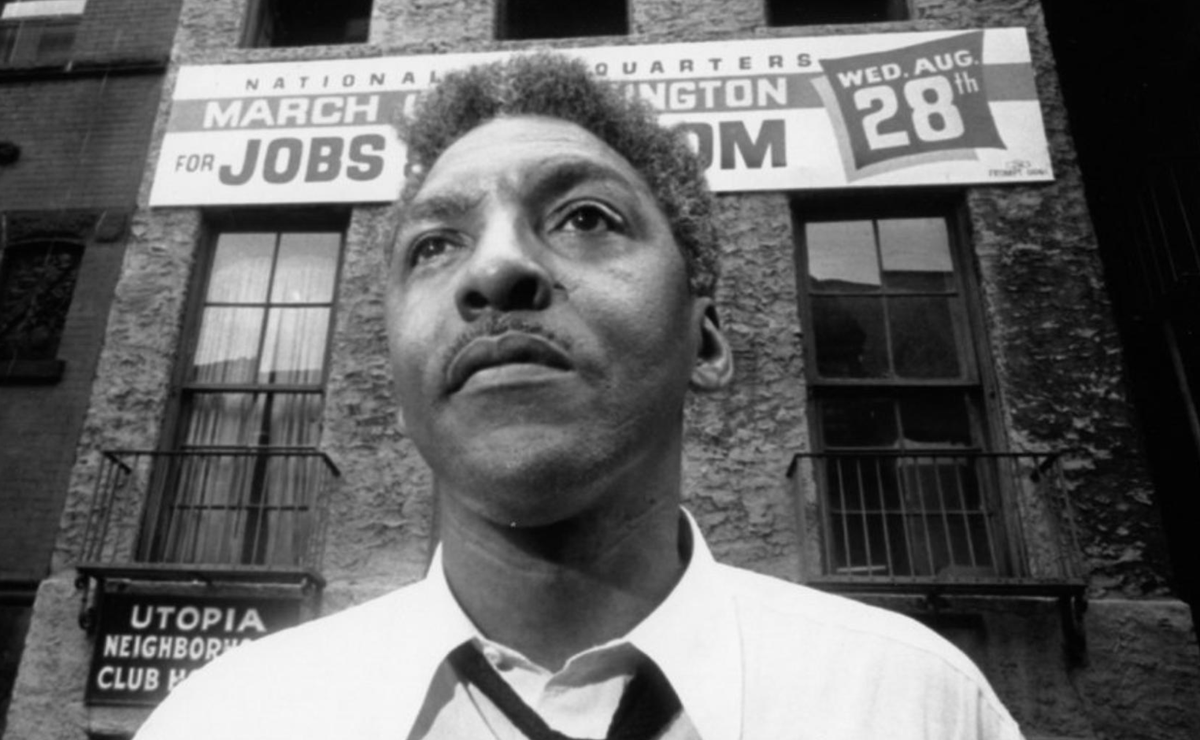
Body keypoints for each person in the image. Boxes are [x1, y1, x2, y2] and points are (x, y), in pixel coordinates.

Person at [136, 53, 1023, 740]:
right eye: (435, 244)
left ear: (706, 343)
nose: (495, 269)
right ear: (395, 387)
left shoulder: (918, 705)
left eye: (586, 218)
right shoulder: (225, 719)